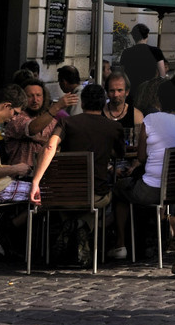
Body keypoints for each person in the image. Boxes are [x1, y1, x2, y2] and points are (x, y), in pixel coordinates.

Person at [116, 77, 175, 271]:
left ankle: (120, 244)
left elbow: (141, 156)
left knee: (119, 189)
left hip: (153, 190)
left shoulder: (151, 119)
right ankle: (171, 227)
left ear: (160, 99)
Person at [30, 83, 128, 259]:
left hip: (63, 193)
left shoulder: (67, 122)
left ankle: (70, 224)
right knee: (106, 196)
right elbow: (120, 153)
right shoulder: (114, 127)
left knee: (72, 198)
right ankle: (83, 226)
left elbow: (50, 146)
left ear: (82, 104)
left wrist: (36, 181)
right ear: (103, 104)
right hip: (95, 193)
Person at [1, 78, 63, 170]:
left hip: (47, 174)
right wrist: (56, 107)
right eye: (30, 96)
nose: (35, 100)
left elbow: (58, 146)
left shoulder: (52, 121)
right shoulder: (15, 117)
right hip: (21, 176)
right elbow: (32, 128)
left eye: (38, 95)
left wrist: (40, 139)